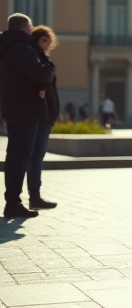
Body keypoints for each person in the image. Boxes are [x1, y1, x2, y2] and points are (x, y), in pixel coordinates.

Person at [0, 14, 54, 218]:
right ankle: (13, 203)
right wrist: (47, 68)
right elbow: (43, 74)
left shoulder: (6, 46)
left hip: (12, 107)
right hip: (26, 110)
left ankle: (13, 201)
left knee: (15, 156)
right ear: (26, 29)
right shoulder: (21, 48)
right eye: (30, 29)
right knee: (20, 157)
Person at [28, 26, 59, 210]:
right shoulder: (33, 59)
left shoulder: (46, 61)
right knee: (33, 156)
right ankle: (33, 195)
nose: (47, 44)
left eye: (49, 41)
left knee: (37, 156)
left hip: (47, 113)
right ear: (36, 39)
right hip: (36, 113)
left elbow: (51, 91)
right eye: (44, 40)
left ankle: (35, 196)